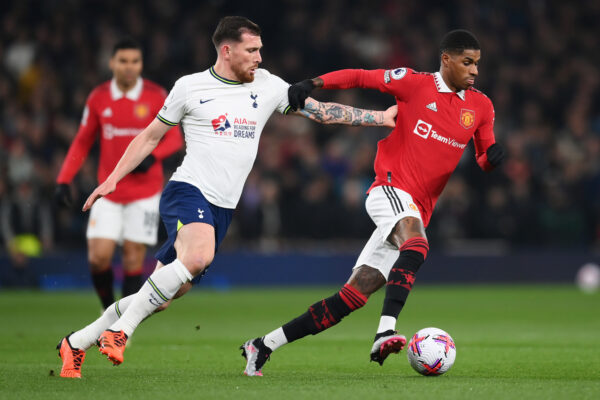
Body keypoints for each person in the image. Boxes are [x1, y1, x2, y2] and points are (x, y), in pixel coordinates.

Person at [56, 16, 397, 378]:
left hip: (222, 208)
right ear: (227, 50)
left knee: (162, 297)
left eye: (261, 50)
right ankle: (120, 333)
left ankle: (76, 342)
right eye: (252, 50)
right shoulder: (190, 87)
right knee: (198, 256)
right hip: (187, 191)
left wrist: (380, 118)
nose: (259, 57)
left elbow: (322, 113)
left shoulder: (267, 86)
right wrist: (112, 179)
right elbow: (150, 136)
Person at [240, 29, 506, 376]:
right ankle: (385, 331)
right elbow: (361, 76)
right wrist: (314, 82)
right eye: (467, 62)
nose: (474, 70)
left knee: (350, 298)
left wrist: (492, 160)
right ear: (446, 59)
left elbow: (484, 157)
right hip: (390, 190)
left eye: (477, 64)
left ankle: (262, 346)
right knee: (417, 244)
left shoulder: (481, 106)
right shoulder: (414, 83)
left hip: (417, 209)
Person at [55, 38, 183, 309]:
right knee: (99, 258)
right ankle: (107, 310)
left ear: (141, 64)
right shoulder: (99, 98)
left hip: (145, 192)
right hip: (109, 191)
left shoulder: (155, 96)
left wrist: (153, 156)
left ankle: (120, 324)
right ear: (112, 63)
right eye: (123, 61)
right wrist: (64, 179)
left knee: (133, 258)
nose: (128, 67)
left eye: (134, 61)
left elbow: (174, 139)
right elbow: (82, 141)